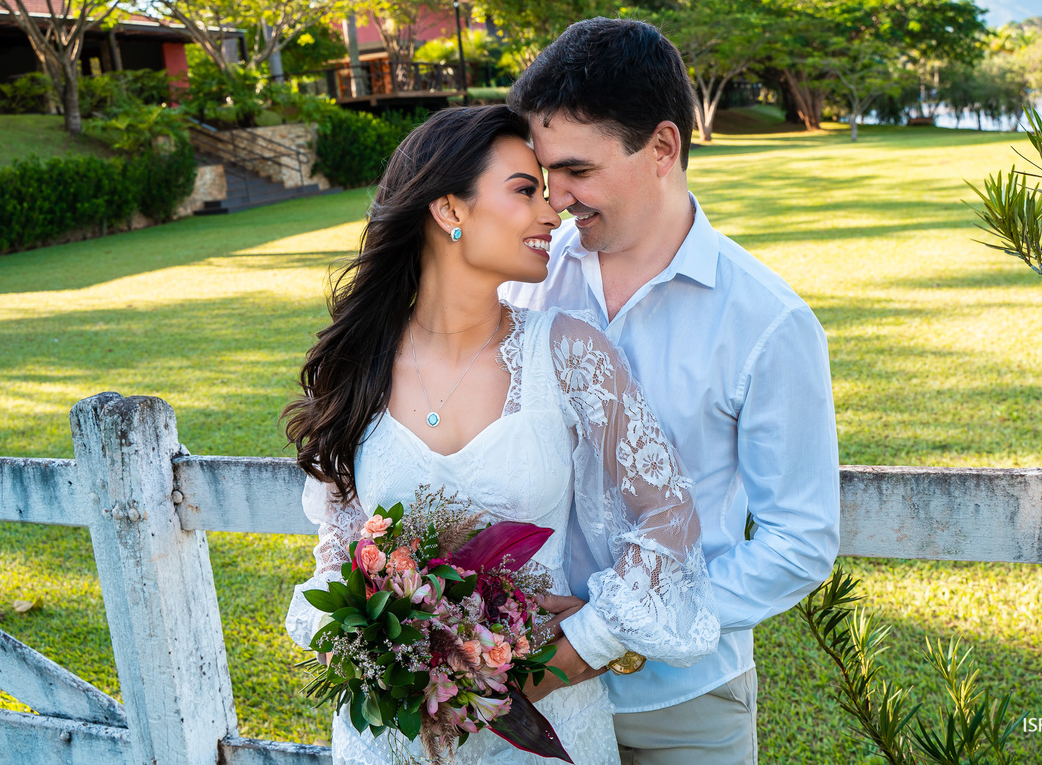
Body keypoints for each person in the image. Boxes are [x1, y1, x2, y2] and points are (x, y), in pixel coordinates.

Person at [281, 104, 720, 765]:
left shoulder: (568, 352)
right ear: (449, 209)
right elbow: (340, 557)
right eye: (524, 191)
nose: (552, 213)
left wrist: (584, 647)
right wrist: (378, 655)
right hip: (396, 736)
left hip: (547, 721)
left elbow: (669, 517)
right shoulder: (356, 368)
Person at [500, 18, 841, 765]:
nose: (556, 198)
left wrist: (612, 632)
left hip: (686, 704)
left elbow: (798, 542)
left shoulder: (768, 321)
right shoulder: (522, 283)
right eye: (546, 172)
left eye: (577, 170)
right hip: (528, 699)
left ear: (662, 147)